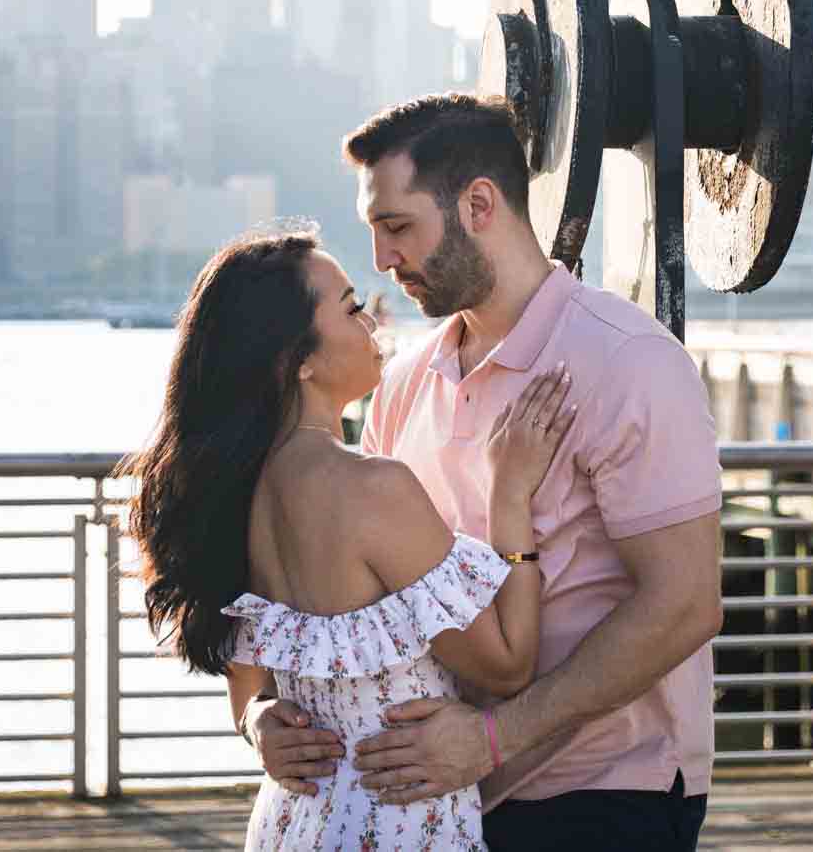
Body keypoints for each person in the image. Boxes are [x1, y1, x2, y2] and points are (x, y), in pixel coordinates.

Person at [241, 94, 724, 851]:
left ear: (478, 204)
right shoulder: (402, 385)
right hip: (433, 804)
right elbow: (351, 595)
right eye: (373, 231)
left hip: (601, 795)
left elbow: (686, 603)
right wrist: (262, 712)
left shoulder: (629, 361)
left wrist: (493, 738)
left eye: (397, 226)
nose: (382, 260)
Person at [123, 228, 579, 850]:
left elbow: (250, 689)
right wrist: (510, 496)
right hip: (397, 823)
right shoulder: (371, 488)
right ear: (297, 360)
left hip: (295, 823)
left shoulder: (230, 490)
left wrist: (258, 721)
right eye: (350, 308)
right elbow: (506, 666)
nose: (371, 321)